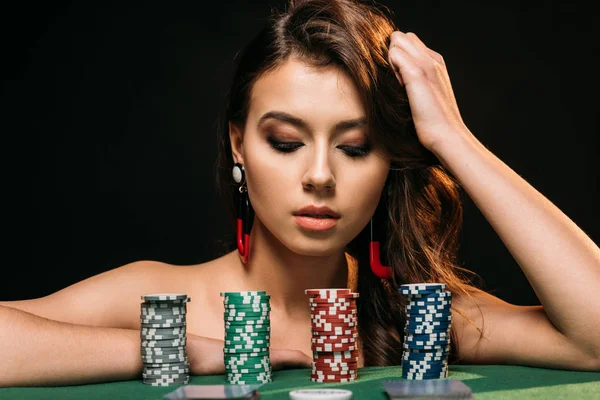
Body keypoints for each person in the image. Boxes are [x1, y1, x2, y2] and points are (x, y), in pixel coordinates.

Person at [2, 0, 599, 388]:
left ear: (391, 158)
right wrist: (175, 348)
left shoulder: (409, 317)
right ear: (239, 145)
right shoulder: (159, 298)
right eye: (286, 141)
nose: (319, 175)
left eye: (357, 146)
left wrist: (452, 137)